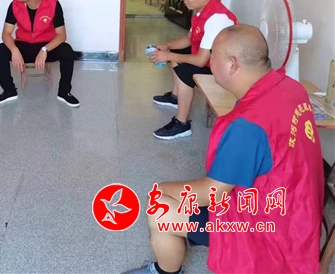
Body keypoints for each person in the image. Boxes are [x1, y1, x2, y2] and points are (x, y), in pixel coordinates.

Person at [124, 25, 324, 274]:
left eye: (213, 56)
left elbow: (212, 193)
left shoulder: (248, 125)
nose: (209, 61)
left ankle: (164, 271)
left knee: (158, 205)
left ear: (232, 64)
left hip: (267, 229)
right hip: (298, 212)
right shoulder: (292, 88)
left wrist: (161, 188)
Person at [149, 0, 237, 139]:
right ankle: (176, 97)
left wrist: (167, 56)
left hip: (224, 69)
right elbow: (189, 38)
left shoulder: (217, 18)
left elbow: (200, 60)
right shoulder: (201, 12)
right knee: (175, 53)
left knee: (185, 70)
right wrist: (167, 46)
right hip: (211, 59)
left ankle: (182, 124)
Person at [0, 0, 79, 107]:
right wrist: (14, 50)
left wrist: (44, 50)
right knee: (0, 50)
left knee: (66, 50)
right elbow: (6, 33)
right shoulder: (14, 5)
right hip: (24, 45)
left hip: (46, 46)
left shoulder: (53, 4)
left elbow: (61, 35)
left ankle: (64, 92)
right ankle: (9, 91)